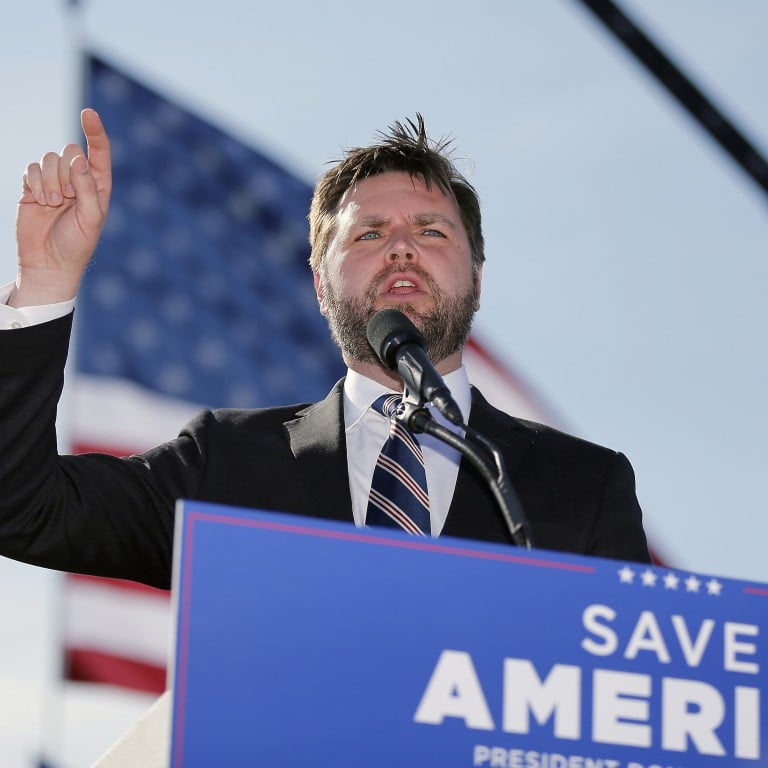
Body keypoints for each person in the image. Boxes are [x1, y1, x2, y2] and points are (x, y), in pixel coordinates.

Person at [0, 110, 651, 590]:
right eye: (369, 234)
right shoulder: (223, 466)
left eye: (431, 231)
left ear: (477, 276)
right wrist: (45, 282)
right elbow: (20, 507)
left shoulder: (586, 486)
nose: (401, 247)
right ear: (319, 283)